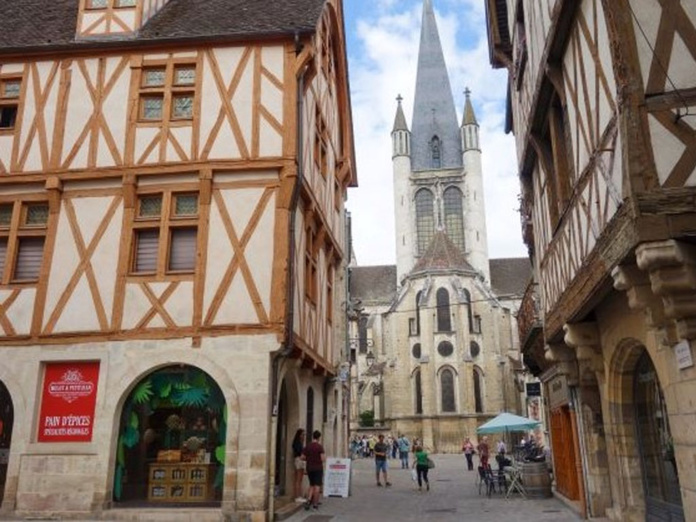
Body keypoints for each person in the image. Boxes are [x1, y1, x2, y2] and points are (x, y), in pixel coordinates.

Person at [302, 430, 325, 511]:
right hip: (318, 468)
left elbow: (302, 457)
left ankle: (308, 501)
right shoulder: (319, 447)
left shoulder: (308, 446)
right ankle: (315, 504)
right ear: (319, 437)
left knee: (311, 485)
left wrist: (309, 458)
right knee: (317, 486)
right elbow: (322, 459)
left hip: (309, 467)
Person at [291, 429, 306, 502]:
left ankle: (298, 495)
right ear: (299, 435)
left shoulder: (298, 443)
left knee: (299, 479)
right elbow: (300, 455)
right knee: (298, 479)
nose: (304, 436)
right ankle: (297, 496)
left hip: (299, 460)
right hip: (299, 460)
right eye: (303, 434)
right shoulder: (298, 444)